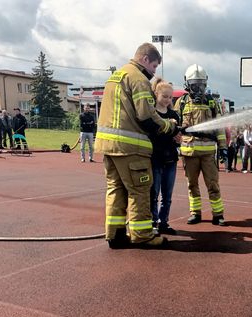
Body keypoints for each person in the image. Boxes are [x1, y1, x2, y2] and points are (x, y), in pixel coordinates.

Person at [94, 43, 176, 249]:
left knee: (115, 189)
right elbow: (146, 116)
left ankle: (115, 234)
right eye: (155, 66)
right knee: (139, 190)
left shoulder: (117, 75)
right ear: (145, 59)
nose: (154, 71)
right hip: (130, 147)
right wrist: (169, 126)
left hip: (108, 146)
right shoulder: (138, 79)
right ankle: (142, 235)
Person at [174, 63, 228, 226]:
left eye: (201, 84)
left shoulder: (212, 103)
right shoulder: (181, 103)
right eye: (194, 84)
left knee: (213, 184)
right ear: (187, 84)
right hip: (189, 152)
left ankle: (218, 215)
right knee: (192, 185)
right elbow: (175, 126)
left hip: (208, 153)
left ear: (206, 83)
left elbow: (219, 128)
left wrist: (223, 147)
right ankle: (195, 213)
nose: (198, 88)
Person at [150, 79, 181, 235]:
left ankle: (164, 222)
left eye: (170, 97)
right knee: (153, 194)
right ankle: (153, 223)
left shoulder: (174, 114)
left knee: (167, 196)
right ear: (156, 94)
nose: (168, 100)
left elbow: (178, 138)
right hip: (155, 159)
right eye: (165, 96)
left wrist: (178, 137)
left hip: (170, 159)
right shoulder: (151, 114)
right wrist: (166, 124)